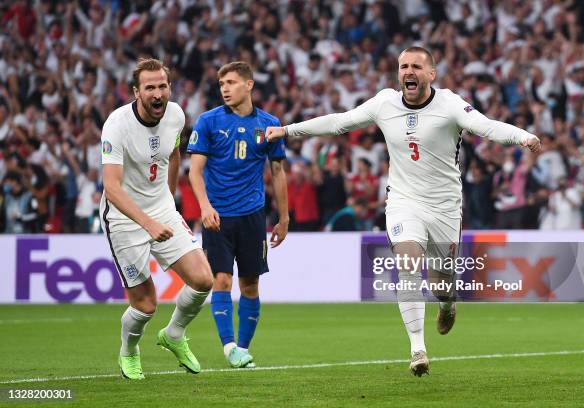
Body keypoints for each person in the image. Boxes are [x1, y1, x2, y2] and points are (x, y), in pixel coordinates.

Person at [266, 46, 541, 377]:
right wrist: (288, 130)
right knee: (408, 263)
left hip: (444, 206)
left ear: (431, 74)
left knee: (441, 282)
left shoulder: (450, 104)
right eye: (403, 66)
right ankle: (417, 349)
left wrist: (522, 136)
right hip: (403, 200)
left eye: (416, 66)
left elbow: (486, 127)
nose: (408, 72)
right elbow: (340, 122)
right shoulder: (385, 103)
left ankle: (447, 304)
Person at [100, 58, 213, 380]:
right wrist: (147, 223)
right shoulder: (116, 125)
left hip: (161, 209)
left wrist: (169, 199)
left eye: (162, 86)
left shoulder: (176, 115)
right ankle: (129, 350)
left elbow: (173, 152)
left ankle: (174, 334)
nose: (157, 93)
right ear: (137, 92)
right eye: (150, 87)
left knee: (203, 279)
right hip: (123, 218)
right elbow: (111, 187)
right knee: (146, 305)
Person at [188, 61, 289, 368]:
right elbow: (195, 171)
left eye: (231, 83)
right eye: (222, 85)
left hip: (253, 217)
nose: (225, 89)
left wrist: (284, 218)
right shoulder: (208, 121)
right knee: (220, 280)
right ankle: (228, 345)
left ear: (249, 85)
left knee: (250, 285)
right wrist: (205, 207)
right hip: (218, 217)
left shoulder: (269, 124)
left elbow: (278, 171)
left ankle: (241, 350)